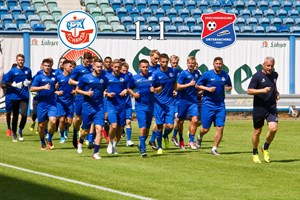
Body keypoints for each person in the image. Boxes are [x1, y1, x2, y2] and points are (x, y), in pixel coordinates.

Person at [196, 57, 232, 156]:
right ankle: (199, 136)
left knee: (220, 127)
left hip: (220, 105)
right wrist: (207, 89)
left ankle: (214, 148)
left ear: (222, 64)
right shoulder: (207, 74)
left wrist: (228, 88)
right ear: (213, 64)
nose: (218, 65)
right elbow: (197, 85)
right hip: (208, 104)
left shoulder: (225, 75)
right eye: (217, 63)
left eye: (220, 63)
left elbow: (229, 85)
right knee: (205, 128)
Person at [247, 56, 279, 163]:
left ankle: (265, 148)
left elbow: (274, 85)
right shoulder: (257, 76)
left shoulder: (275, 74)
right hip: (259, 108)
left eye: (272, 66)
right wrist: (262, 91)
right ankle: (255, 152)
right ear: (263, 65)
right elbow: (249, 91)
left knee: (273, 128)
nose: (270, 68)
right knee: (257, 131)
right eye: (268, 66)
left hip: (271, 108)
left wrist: (276, 93)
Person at [128, 59, 162, 157]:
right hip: (140, 106)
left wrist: (154, 89)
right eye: (143, 67)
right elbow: (129, 88)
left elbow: (160, 87)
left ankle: (141, 144)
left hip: (151, 105)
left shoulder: (153, 76)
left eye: (146, 67)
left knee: (147, 128)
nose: (145, 69)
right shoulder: (135, 78)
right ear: (139, 67)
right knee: (142, 127)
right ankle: (143, 149)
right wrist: (134, 94)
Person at [76, 58, 107, 159]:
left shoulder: (104, 78)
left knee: (99, 129)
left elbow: (105, 89)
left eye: (100, 67)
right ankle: (80, 140)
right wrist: (86, 93)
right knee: (85, 130)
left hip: (99, 107)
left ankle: (96, 153)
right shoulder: (85, 78)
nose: (99, 68)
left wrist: (106, 93)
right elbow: (77, 90)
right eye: (97, 67)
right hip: (87, 107)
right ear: (93, 66)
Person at [30, 58, 57, 150]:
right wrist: (43, 87)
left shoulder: (54, 77)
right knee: (41, 126)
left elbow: (54, 88)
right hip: (41, 103)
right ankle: (42, 142)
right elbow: (32, 89)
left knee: (53, 121)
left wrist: (57, 91)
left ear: (51, 66)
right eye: (45, 66)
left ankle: (49, 138)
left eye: (49, 66)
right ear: (42, 66)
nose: (47, 67)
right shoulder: (38, 77)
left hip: (52, 103)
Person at [152, 53, 177, 154]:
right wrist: (155, 90)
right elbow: (152, 88)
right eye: (163, 62)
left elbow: (175, 82)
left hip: (170, 103)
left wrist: (175, 90)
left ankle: (165, 136)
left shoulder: (172, 71)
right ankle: (159, 147)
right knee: (159, 126)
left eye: (166, 62)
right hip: (159, 103)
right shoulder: (156, 74)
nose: (165, 64)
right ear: (159, 62)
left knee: (170, 126)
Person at [5, 54, 32, 142]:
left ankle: (20, 130)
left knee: (24, 115)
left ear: (24, 61)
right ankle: (14, 134)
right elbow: (5, 81)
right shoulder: (12, 71)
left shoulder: (28, 70)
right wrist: (12, 84)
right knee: (15, 116)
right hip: (15, 96)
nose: (21, 61)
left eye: (22, 60)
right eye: (19, 60)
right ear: (16, 61)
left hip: (24, 96)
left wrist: (28, 82)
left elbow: (31, 80)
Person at [105, 59, 129, 154]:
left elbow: (130, 88)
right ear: (112, 67)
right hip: (111, 105)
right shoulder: (107, 77)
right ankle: (110, 143)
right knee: (113, 125)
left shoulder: (125, 77)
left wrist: (126, 91)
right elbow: (103, 90)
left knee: (120, 128)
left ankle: (115, 145)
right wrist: (107, 94)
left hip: (122, 105)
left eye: (119, 67)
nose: (117, 69)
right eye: (115, 67)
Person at [69, 52, 93, 148]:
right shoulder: (78, 69)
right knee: (78, 118)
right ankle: (75, 133)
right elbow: (70, 81)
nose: (88, 62)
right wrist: (81, 83)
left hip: (90, 96)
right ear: (83, 60)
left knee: (90, 117)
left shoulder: (93, 68)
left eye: (89, 60)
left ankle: (88, 139)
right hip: (80, 96)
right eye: (86, 60)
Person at [177, 56, 201, 149]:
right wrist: (189, 84)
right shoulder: (183, 73)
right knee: (180, 121)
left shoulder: (197, 73)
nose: (191, 65)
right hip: (183, 100)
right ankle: (181, 138)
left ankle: (191, 141)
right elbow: (178, 86)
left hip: (193, 101)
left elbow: (198, 85)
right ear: (187, 64)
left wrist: (200, 91)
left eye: (193, 63)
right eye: (189, 63)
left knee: (195, 120)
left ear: (195, 64)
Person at [56, 60, 75, 143]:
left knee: (70, 122)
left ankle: (65, 129)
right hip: (60, 102)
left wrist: (75, 91)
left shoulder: (73, 78)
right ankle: (62, 135)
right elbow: (53, 88)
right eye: (70, 66)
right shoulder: (59, 77)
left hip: (70, 102)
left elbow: (78, 87)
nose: (72, 68)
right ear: (65, 67)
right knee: (62, 119)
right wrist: (57, 91)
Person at [169, 55, 182, 147]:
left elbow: (181, 85)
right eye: (173, 63)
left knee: (178, 119)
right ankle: (164, 136)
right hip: (167, 101)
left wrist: (177, 91)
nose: (175, 64)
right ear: (170, 62)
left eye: (176, 63)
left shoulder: (180, 73)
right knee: (166, 124)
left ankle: (174, 136)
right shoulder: (167, 72)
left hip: (177, 100)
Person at [1, 63, 17, 137]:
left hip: (17, 96)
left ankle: (14, 130)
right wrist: (10, 84)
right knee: (8, 112)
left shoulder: (19, 75)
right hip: (9, 96)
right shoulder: (7, 75)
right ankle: (8, 128)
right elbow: (2, 85)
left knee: (15, 113)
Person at [120, 62, 134, 147]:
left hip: (127, 102)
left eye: (126, 70)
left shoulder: (129, 76)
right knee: (119, 124)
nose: (125, 72)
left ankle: (128, 140)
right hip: (118, 103)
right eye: (123, 70)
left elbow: (132, 87)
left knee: (128, 121)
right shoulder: (116, 78)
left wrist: (128, 91)